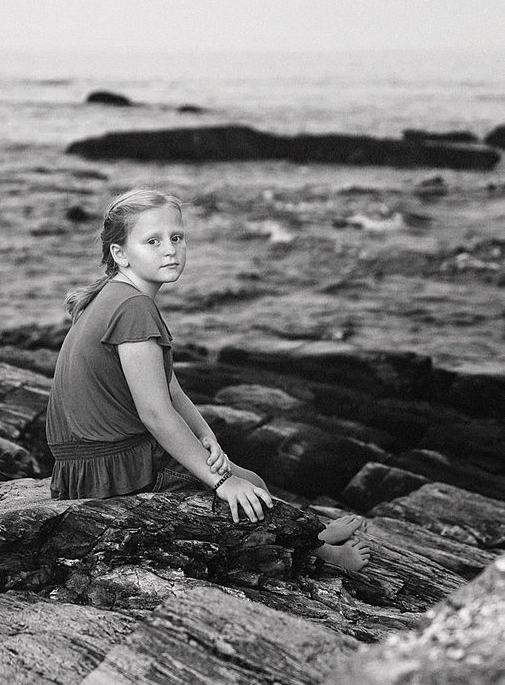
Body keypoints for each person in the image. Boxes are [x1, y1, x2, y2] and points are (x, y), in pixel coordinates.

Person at [46, 187, 370, 571]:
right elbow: (154, 413)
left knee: (231, 467)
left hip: (85, 467)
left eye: (177, 237)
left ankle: (311, 534)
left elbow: (168, 387)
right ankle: (326, 554)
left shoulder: (116, 297)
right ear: (120, 254)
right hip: (114, 471)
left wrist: (205, 436)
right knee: (246, 485)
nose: (170, 249)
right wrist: (221, 483)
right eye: (153, 241)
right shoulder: (133, 310)